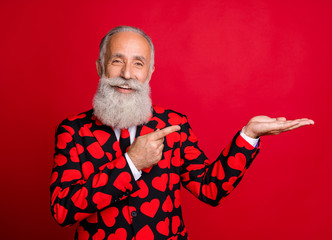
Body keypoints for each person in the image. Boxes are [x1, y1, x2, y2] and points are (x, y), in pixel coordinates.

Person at [50, 26, 314, 240]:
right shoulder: (73, 131)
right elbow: (63, 210)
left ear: (150, 73)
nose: (127, 74)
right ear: (100, 67)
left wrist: (248, 135)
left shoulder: (173, 125)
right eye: (117, 61)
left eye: (138, 64)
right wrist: (132, 164)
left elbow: (211, 188)